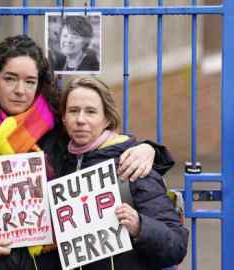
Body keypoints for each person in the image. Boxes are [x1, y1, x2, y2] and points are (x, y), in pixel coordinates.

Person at [0, 35, 174, 270]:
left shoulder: (59, 129)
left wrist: (148, 150)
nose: (20, 90)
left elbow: (102, 145)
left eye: (30, 81)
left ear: (40, 85)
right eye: (10, 78)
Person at [60, 76, 188, 270]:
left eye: (91, 112)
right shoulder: (60, 165)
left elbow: (176, 246)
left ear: (107, 119)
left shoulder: (132, 165)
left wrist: (140, 227)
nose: (80, 120)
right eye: (73, 111)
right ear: (63, 118)